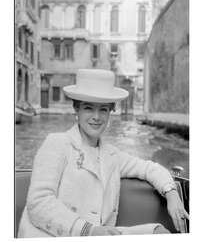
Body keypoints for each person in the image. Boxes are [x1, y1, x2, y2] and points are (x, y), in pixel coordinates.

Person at [18, 69, 189, 237]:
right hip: (54, 235)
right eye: (88, 108)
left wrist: (172, 194)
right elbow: (39, 203)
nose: (96, 117)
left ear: (110, 112)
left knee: (159, 233)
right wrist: (88, 230)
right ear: (76, 109)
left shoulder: (113, 156)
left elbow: (149, 169)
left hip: (100, 234)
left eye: (103, 109)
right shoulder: (56, 143)